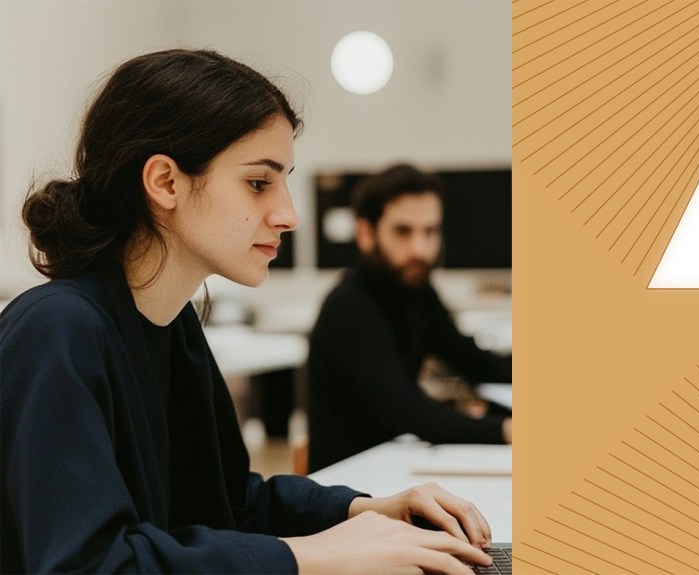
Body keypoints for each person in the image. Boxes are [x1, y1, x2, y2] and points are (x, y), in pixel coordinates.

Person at [0, 49, 494, 574]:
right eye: (259, 183)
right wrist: (306, 556)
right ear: (165, 182)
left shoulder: (174, 326)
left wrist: (365, 510)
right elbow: (92, 566)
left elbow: (231, 503)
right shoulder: (55, 331)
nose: (289, 214)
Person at [306, 164, 512, 472]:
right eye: (403, 231)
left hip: (398, 466)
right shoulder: (348, 305)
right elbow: (410, 412)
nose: (420, 249)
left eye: (430, 231)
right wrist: (506, 430)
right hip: (349, 487)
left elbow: (475, 361)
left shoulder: (418, 293)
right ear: (366, 233)